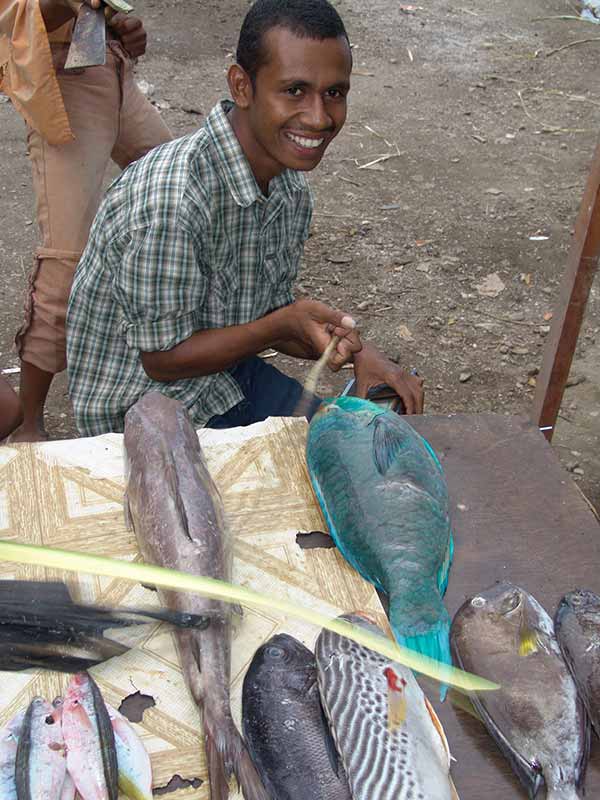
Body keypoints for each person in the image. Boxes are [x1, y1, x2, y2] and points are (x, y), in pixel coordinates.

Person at [66, 0, 424, 437]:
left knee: (349, 440)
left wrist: (355, 351)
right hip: (142, 411)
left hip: (223, 375)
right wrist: (282, 324)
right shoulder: (172, 202)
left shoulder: (287, 185)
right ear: (241, 86)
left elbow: (265, 312)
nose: (319, 117)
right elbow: (161, 360)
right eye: (294, 90)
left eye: (335, 92)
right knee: (328, 466)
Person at [0, 0, 172, 441]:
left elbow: (102, 17)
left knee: (173, 192)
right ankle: (31, 420)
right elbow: (12, 22)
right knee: (66, 256)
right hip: (62, 85)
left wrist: (123, 32)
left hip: (112, 74)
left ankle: (161, 347)